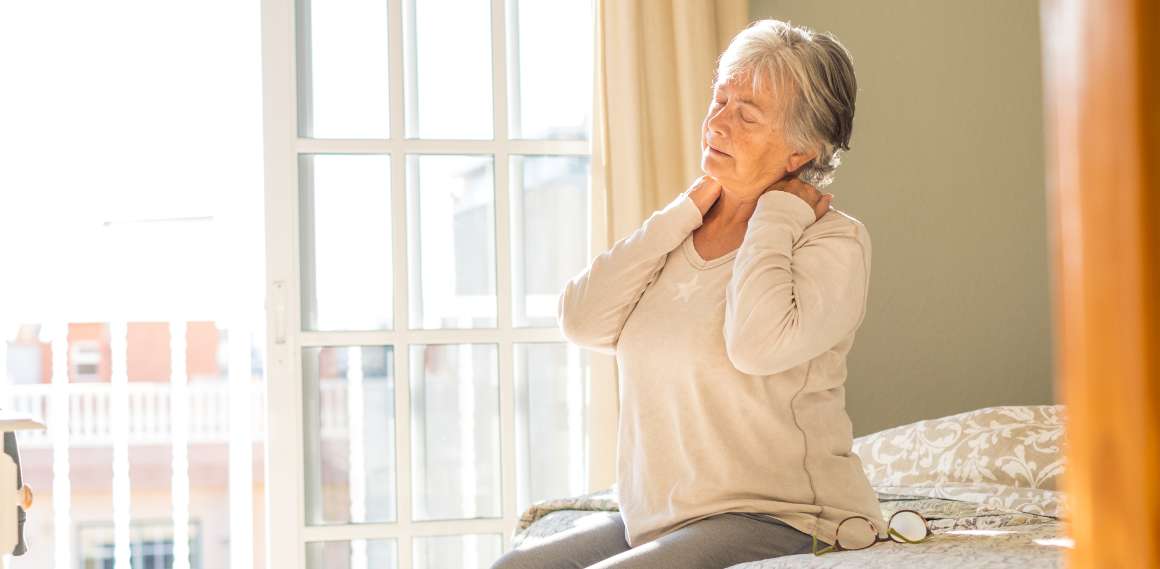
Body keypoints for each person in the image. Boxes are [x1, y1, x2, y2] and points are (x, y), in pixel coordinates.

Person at [491, 18, 882, 569]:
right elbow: (582, 320)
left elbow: (756, 346)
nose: (717, 124)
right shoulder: (680, 232)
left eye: (746, 114)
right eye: (718, 101)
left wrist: (777, 212)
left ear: (801, 152)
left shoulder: (834, 241)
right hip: (656, 515)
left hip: (781, 516)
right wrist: (685, 210)